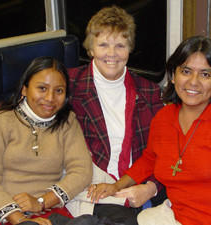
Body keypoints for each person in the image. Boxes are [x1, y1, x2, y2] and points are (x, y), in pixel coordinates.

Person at [90, 36, 211, 225]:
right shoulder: (163, 118)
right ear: (173, 75)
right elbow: (150, 159)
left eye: (205, 74)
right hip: (180, 217)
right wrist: (115, 186)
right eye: (186, 71)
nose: (193, 82)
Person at [67, 5, 165, 224]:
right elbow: (15, 109)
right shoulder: (69, 83)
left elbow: (164, 148)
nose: (111, 54)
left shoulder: (149, 91)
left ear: (129, 49)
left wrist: (151, 188)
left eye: (120, 45)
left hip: (134, 185)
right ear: (90, 49)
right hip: (90, 186)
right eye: (103, 44)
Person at [0, 56, 93, 225]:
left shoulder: (67, 121)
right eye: (42, 88)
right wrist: (20, 219)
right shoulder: (0, 121)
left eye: (59, 91)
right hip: (6, 213)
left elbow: (82, 170)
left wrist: (42, 202)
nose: (50, 98)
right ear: (24, 89)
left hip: (51, 210)